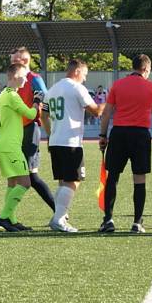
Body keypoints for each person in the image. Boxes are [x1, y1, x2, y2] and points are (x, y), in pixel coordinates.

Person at [98, 54, 152, 233]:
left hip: (119, 133)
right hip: (140, 135)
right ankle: (137, 223)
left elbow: (106, 113)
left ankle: (108, 220)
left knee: (113, 177)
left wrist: (103, 135)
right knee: (139, 178)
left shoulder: (118, 85)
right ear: (145, 69)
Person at [44, 59, 104, 233]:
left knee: (64, 181)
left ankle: (58, 216)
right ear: (77, 71)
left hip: (55, 141)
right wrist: (111, 101)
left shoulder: (53, 89)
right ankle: (59, 219)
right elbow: (97, 111)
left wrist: (50, 134)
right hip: (70, 142)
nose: (85, 79)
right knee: (73, 181)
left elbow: (44, 115)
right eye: (84, 74)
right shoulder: (77, 88)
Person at [6, 47, 56, 225]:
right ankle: (7, 216)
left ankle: (59, 211)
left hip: (29, 131)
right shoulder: (14, 80)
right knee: (12, 176)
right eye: (12, 60)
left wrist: (50, 132)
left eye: (15, 60)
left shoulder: (34, 79)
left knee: (31, 176)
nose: (12, 62)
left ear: (24, 61)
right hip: (15, 133)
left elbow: (47, 101)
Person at [0, 63, 42, 232]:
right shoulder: (12, 96)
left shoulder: (4, 94)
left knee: (13, 184)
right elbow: (31, 114)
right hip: (10, 146)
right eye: (23, 76)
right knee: (25, 182)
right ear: (14, 76)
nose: (26, 79)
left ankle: (11, 219)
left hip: (4, 144)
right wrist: (37, 101)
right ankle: (4, 217)